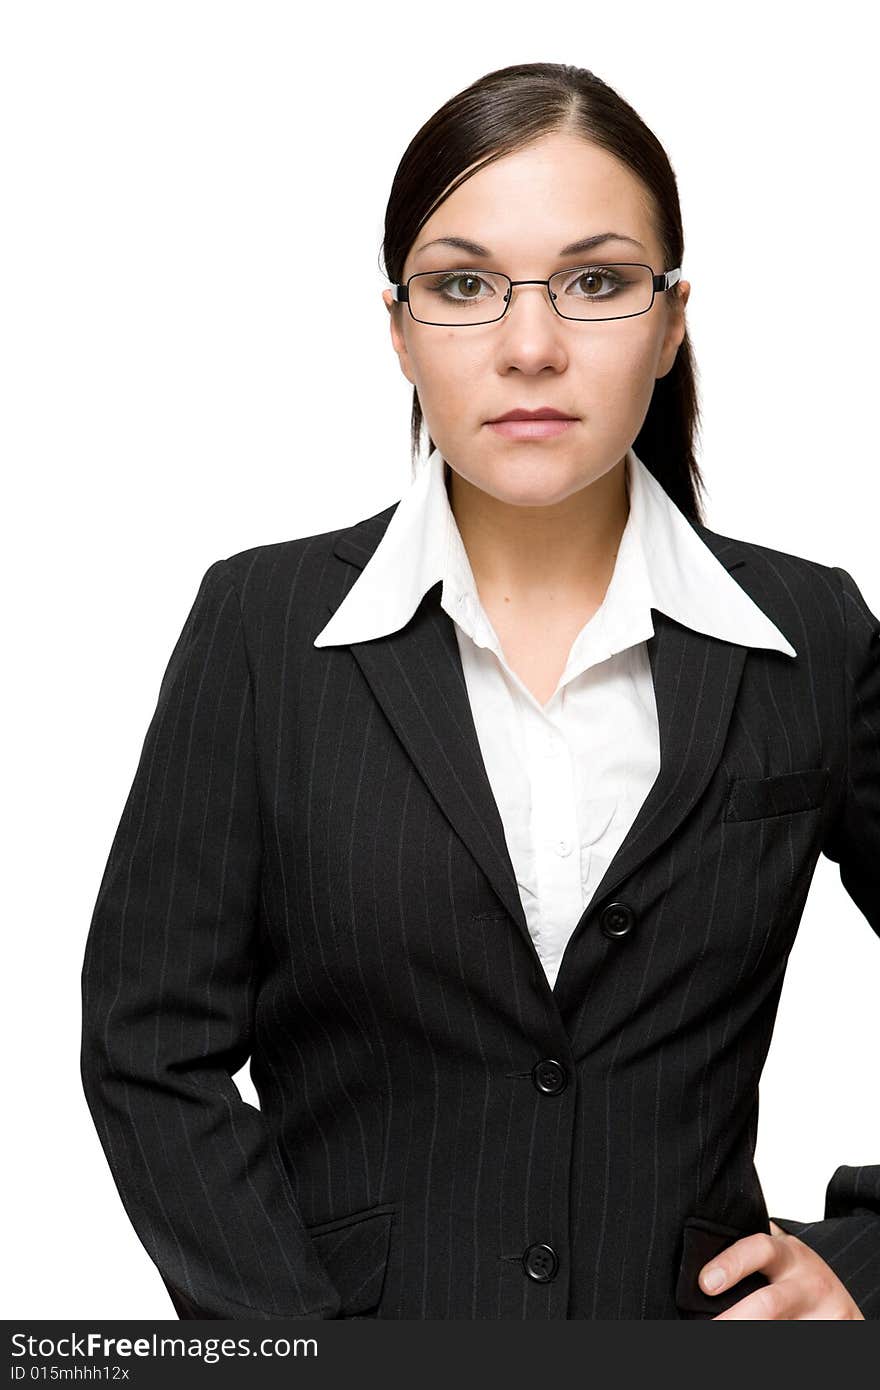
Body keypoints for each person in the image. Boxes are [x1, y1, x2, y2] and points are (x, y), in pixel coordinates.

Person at [80, 61, 879, 1321]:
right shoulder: (262, 625)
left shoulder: (811, 632)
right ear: (397, 328)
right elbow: (146, 1050)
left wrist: (869, 1264)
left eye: (598, 282)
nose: (529, 346)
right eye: (463, 285)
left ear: (671, 322)